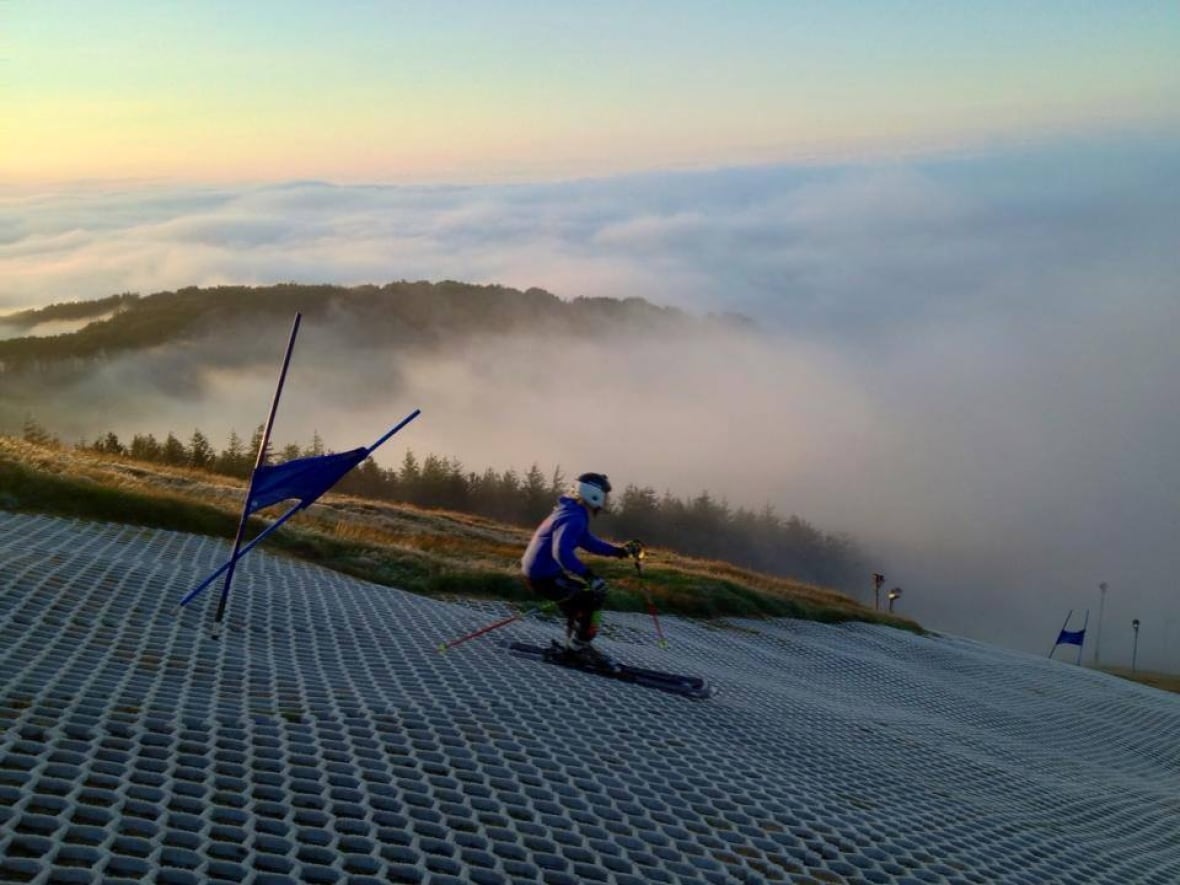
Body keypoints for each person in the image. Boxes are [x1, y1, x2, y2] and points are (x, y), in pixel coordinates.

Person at [520, 472, 642, 670]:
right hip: (543, 576)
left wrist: (619, 551)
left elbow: (588, 541)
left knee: (580, 603)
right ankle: (578, 650)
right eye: (604, 494)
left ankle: (575, 646)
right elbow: (561, 552)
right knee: (592, 597)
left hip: (543, 572)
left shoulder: (571, 511)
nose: (606, 500)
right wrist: (589, 576)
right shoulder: (574, 517)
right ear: (594, 494)